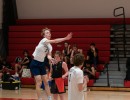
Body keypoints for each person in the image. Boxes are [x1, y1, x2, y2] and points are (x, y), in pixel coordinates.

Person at [30, 27, 72, 100]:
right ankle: (39, 98)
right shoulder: (44, 40)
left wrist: (51, 58)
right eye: (47, 33)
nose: (49, 34)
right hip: (35, 63)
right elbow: (55, 41)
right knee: (39, 81)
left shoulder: (50, 46)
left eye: (49, 33)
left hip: (41, 63)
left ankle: (49, 97)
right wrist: (65, 38)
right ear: (44, 35)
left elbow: (48, 55)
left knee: (46, 82)